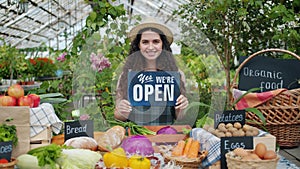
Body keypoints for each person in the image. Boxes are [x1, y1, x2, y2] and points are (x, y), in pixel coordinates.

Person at [114, 18, 189, 125]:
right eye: (145, 42)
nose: (150, 47)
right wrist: (122, 109)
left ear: (162, 44)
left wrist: (181, 107)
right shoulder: (126, 75)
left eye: (156, 41)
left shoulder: (177, 74)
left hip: (166, 137)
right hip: (136, 137)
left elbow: (180, 117)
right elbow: (118, 116)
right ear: (139, 45)